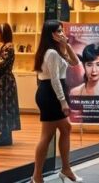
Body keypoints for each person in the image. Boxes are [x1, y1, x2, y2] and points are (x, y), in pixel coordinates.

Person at [30, 20, 82, 183]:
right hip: (50, 94)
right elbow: (54, 80)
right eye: (58, 31)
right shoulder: (51, 53)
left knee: (65, 128)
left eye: (62, 30)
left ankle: (65, 169)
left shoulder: (57, 50)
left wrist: (66, 45)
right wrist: (63, 101)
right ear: (51, 34)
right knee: (47, 135)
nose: (62, 33)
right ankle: (37, 176)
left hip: (53, 92)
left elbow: (75, 62)